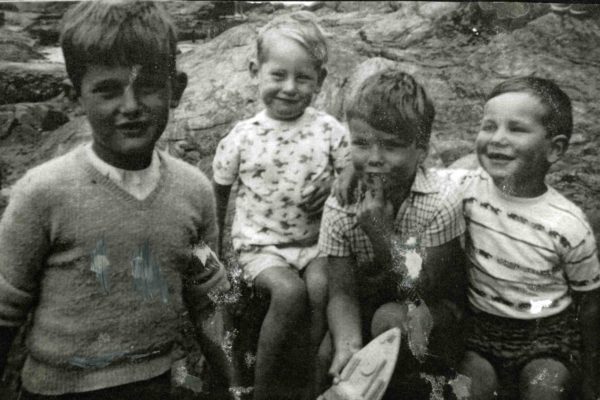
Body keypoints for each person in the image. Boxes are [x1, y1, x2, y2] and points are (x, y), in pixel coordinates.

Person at [0, 1, 232, 399]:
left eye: (147, 87)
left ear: (176, 89)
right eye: (107, 90)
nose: (130, 107)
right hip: (60, 391)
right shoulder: (42, 193)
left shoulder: (194, 192)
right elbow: (4, 311)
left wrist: (236, 386)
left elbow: (210, 301)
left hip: (161, 385)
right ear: (76, 99)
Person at [212, 11, 350, 400]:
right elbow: (219, 189)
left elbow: (351, 172)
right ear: (256, 71)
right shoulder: (243, 136)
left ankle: (308, 379)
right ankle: (265, 388)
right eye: (277, 75)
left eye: (302, 77)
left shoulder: (328, 129)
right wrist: (217, 252)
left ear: (319, 81)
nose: (289, 88)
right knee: (289, 294)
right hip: (261, 248)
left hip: (314, 244)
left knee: (323, 287)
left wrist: (335, 183)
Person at [447, 76, 600, 399]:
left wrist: (591, 377)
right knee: (469, 389)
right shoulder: (467, 187)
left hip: (547, 336)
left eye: (516, 129)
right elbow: (414, 174)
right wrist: (350, 167)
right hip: (482, 329)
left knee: (545, 388)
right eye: (489, 126)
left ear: (554, 149)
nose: (497, 139)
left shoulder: (568, 223)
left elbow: (590, 304)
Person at [318, 68, 467, 399]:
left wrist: (381, 235)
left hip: (434, 312)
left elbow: (422, 289)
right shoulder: (341, 205)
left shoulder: (441, 201)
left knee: (392, 321)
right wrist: (348, 345)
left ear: (422, 150)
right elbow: (341, 292)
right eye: (361, 143)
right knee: (331, 355)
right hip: (373, 306)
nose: (374, 159)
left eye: (391, 146)